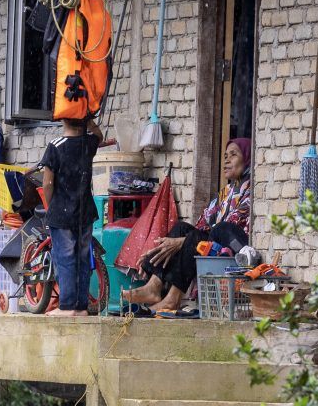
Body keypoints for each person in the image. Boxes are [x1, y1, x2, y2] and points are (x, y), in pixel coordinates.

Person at [123, 138, 252, 314]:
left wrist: (184, 241)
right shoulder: (225, 194)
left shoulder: (251, 192)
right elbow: (202, 224)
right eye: (225, 156)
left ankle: (173, 299)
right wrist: (168, 245)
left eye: (233, 155)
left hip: (236, 250)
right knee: (181, 228)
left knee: (204, 233)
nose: (227, 160)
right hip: (213, 243)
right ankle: (154, 286)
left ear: (248, 158)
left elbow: (229, 227)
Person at [39, 115, 102, 317]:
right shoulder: (88, 143)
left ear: (62, 119)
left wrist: (51, 206)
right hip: (85, 212)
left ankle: (66, 307)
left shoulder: (55, 146)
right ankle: (81, 307)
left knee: (65, 259)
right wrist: (90, 122)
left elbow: (47, 183)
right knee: (82, 259)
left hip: (62, 213)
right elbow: (99, 136)